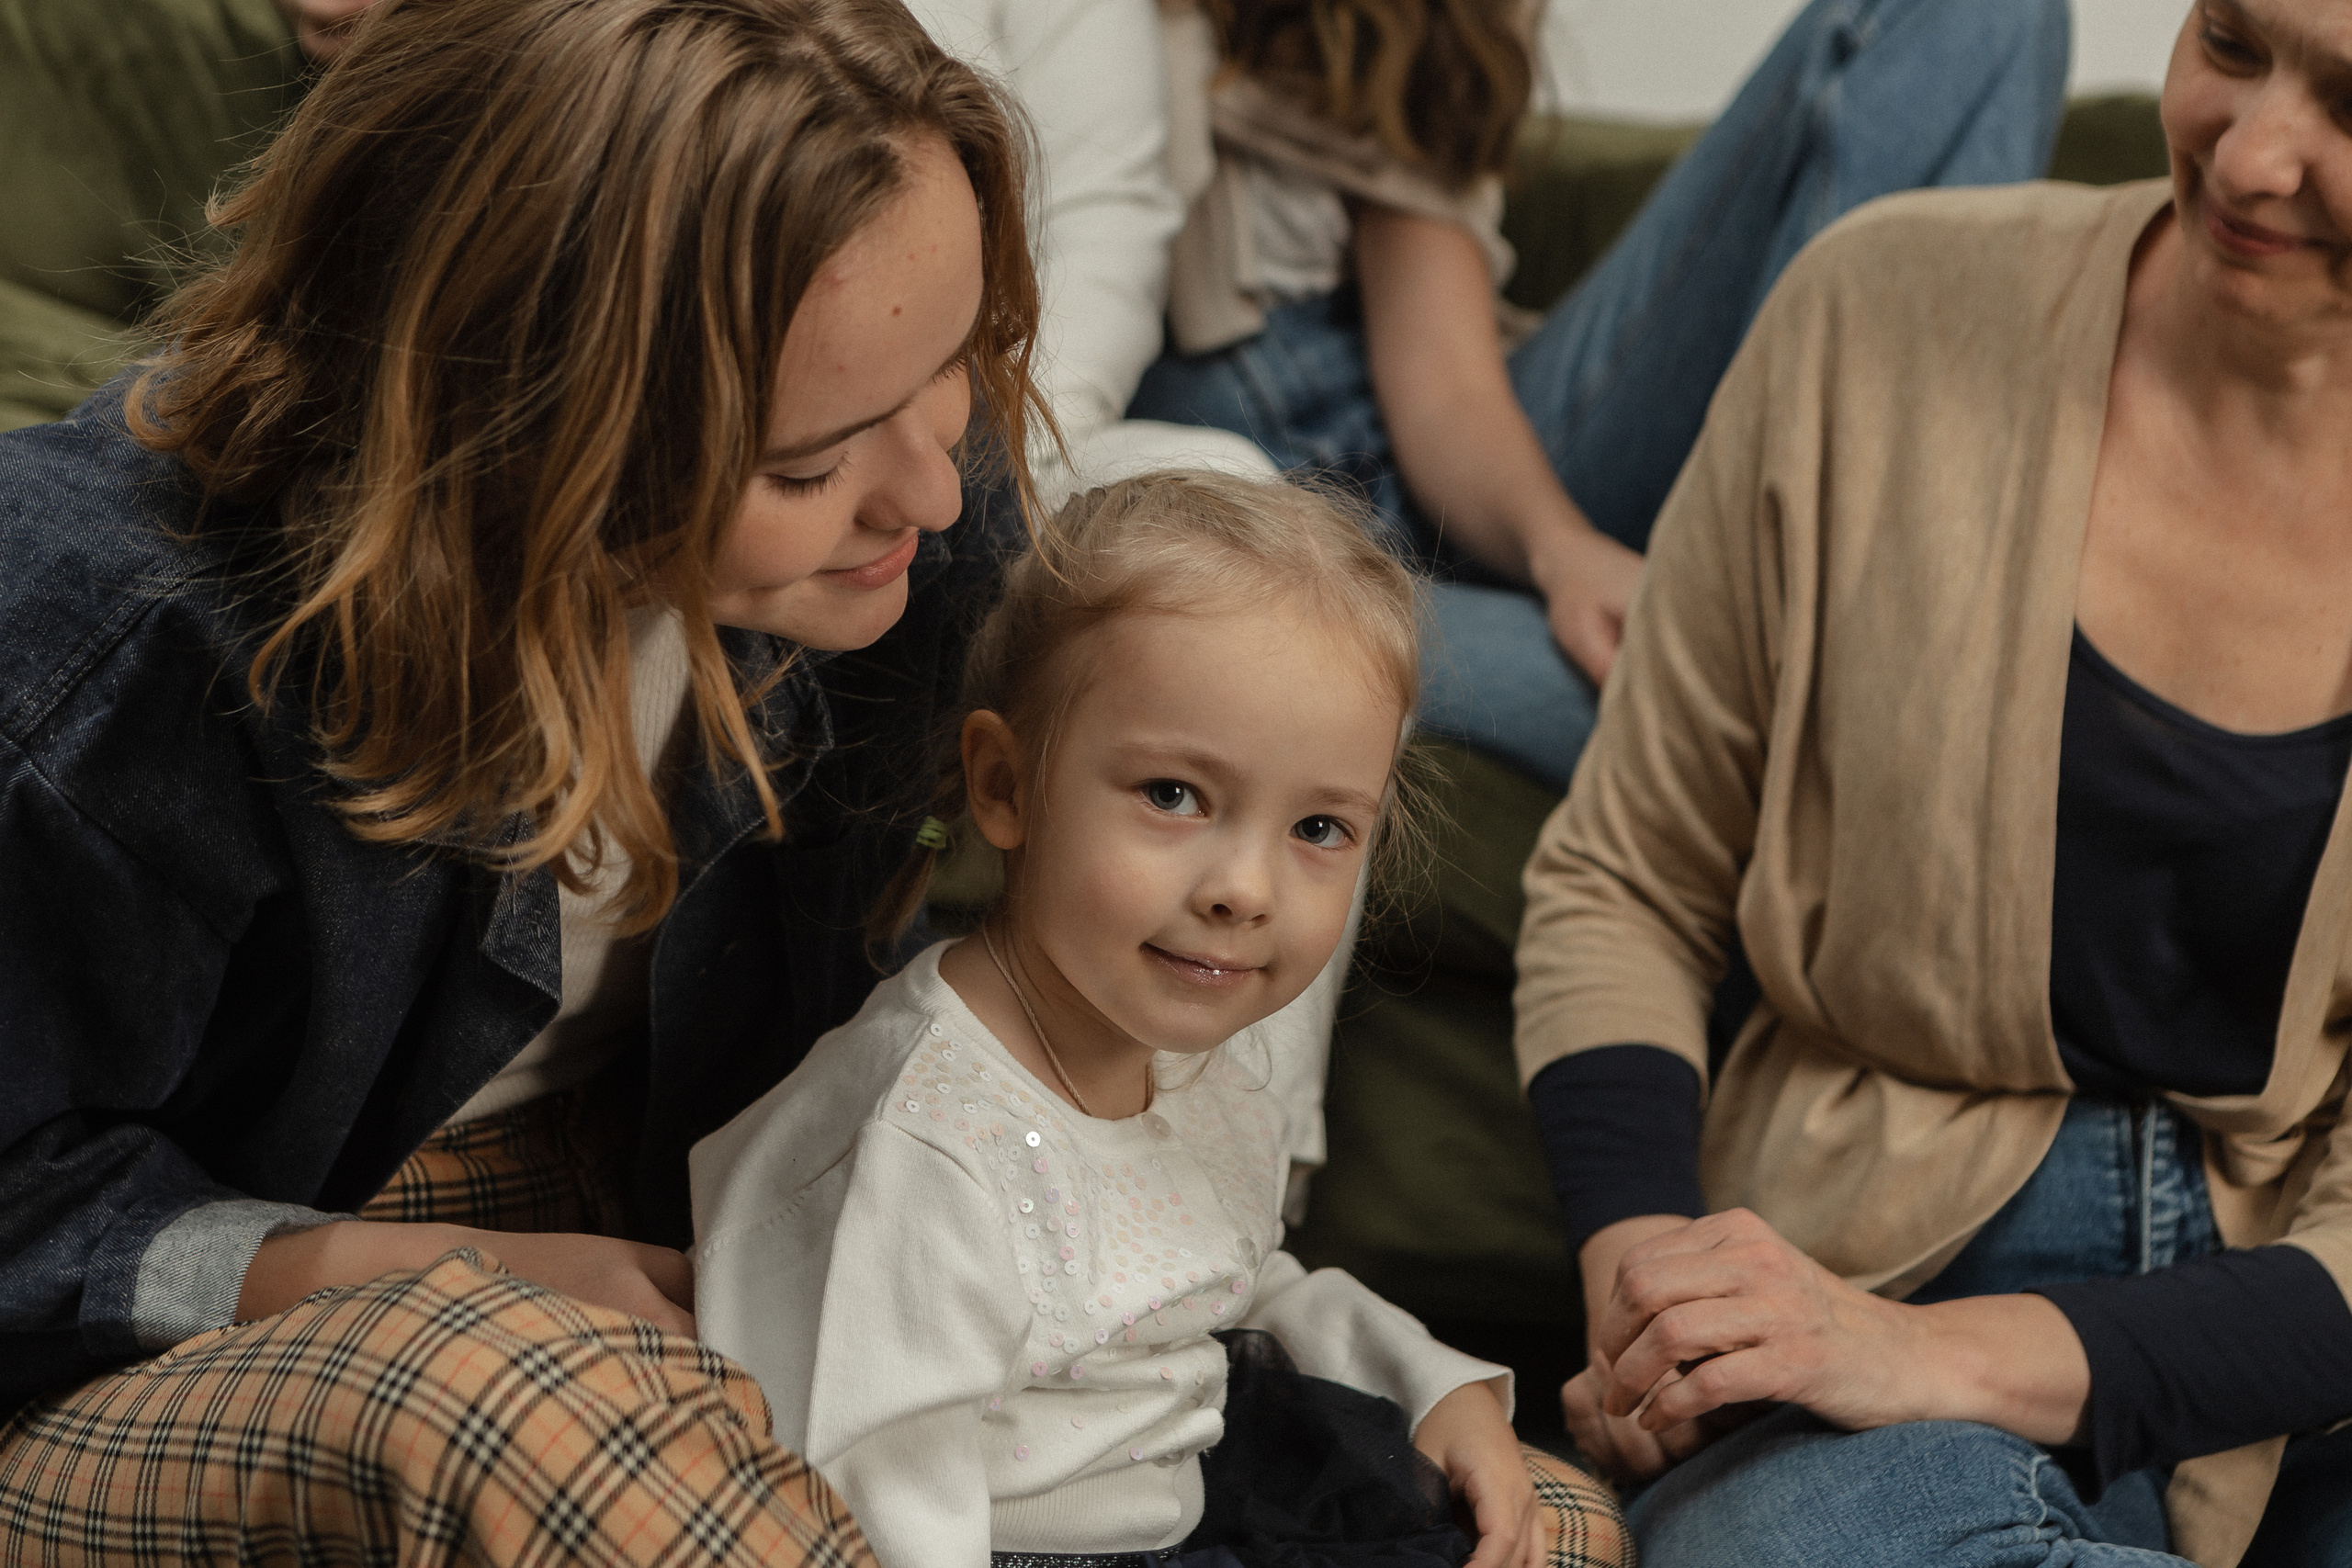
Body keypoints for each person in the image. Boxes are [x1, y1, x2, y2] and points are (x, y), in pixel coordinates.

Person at [0, 0, 1051, 1559]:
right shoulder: (106, 647)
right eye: (806, 464)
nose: (932, 483)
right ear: (528, 428)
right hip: (141, 1329)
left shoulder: (903, 519)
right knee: (523, 1413)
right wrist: (384, 1278)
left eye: (951, 355)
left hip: (645, 1219)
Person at [1513, 1, 2352, 1564]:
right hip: (1863, 1262)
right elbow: (1625, 875)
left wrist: (1948, 1360)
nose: (2251, 154)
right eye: (2232, 40)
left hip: (2302, 1350)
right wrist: (1651, 1284)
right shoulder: (1878, 311)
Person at [691, 471, 1630, 1568]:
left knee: (1562, 1529)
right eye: (1173, 796)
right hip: (998, 1546)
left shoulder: (1188, 1066)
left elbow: (1231, 1287)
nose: (1245, 888)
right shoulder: (928, 1147)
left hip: (1184, 1492)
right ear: (1005, 786)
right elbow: (875, 1491)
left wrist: (1430, 1390)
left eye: (1319, 827)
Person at [1128, 0, 2071, 792]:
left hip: (1472, 464)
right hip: (1261, 535)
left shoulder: (1407, 28)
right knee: (1744, 722)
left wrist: (1563, 553)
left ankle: (1832, 604)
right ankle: (1841, 685)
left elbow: (1443, 385)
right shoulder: (1114, 40)